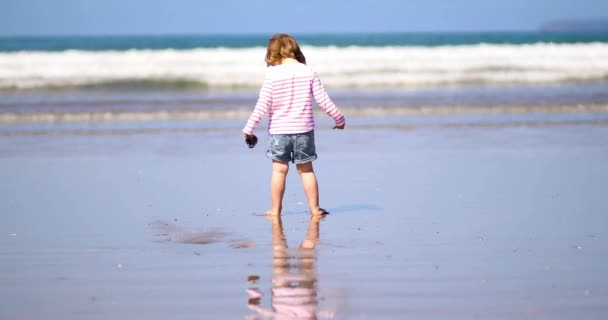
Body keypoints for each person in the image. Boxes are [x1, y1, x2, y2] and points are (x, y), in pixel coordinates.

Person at [243, 33, 345, 216]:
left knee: (279, 171)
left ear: (273, 54)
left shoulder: (272, 75)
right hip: (304, 131)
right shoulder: (308, 71)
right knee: (306, 171)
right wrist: (338, 118)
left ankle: (275, 210)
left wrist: (249, 129)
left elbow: (262, 104)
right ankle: (314, 209)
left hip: (279, 133)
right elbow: (322, 99)